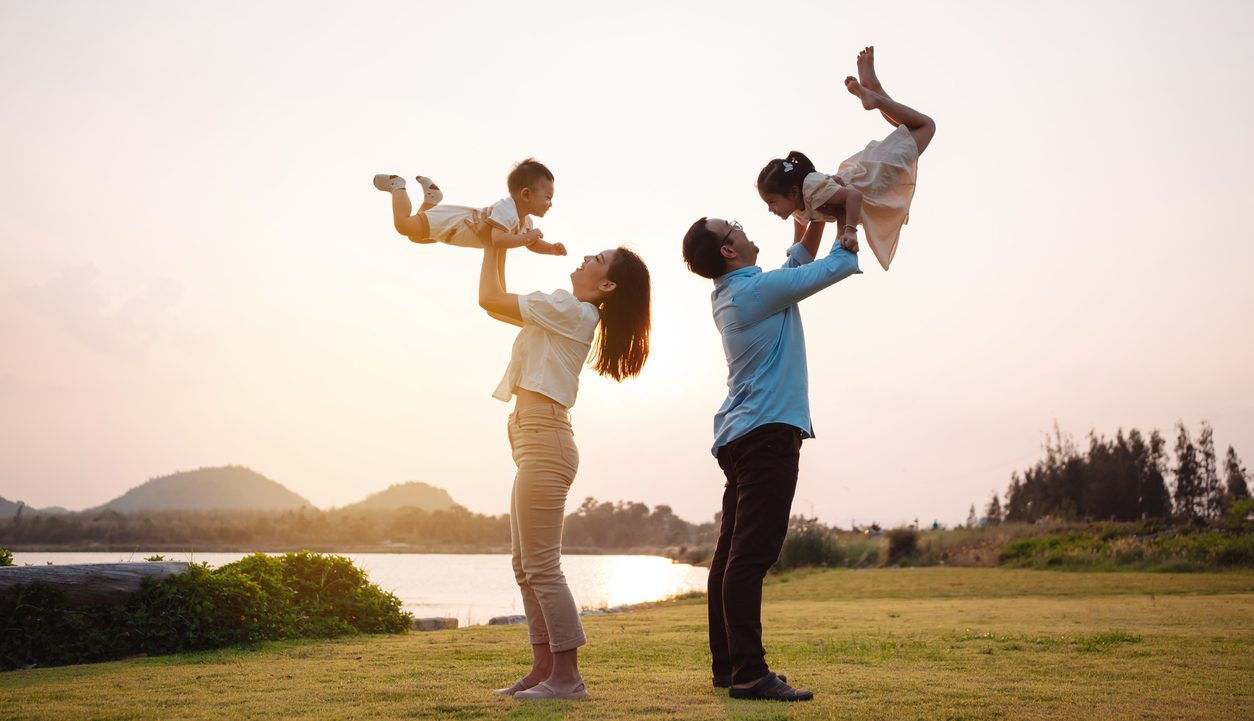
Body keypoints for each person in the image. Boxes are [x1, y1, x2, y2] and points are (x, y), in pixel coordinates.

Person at [681, 216, 860, 702]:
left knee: (728, 558)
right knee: (750, 556)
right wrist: (848, 217)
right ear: (728, 250)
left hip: (744, 436)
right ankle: (750, 675)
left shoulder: (736, 291)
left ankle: (729, 667)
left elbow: (797, 262)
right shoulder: (752, 294)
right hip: (765, 436)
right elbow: (833, 268)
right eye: (733, 227)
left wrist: (811, 220)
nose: (742, 226)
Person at [478, 240, 651, 700]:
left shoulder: (573, 311)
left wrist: (496, 241)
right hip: (530, 434)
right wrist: (497, 244)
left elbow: (489, 299)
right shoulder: (564, 310)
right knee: (524, 565)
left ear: (607, 284)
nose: (585, 259)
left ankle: (568, 678)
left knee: (542, 565)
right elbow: (498, 310)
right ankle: (542, 669)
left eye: (596, 260)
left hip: (545, 437)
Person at [756, 47, 936, 271]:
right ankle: (874, 91)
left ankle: (874, 96)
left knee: (925, 126)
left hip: (876, 175)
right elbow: (803, 218)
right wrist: (796, 243)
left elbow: (852, 196)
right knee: (908, 130)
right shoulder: (799, 203)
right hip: (871, 176)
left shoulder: (811, 189)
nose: (770, 209)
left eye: (772, 201)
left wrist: (850, 230)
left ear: (792, 192)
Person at [373, 158, 567, 255]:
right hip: (451, 222)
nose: (551, 204)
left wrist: (550, 248)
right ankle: (397, 185)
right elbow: (498, 240)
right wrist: (526, 238)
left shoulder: (526, 222)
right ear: (526, 194)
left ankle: (431, 199)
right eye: (548, 197)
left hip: (452, 231)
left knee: (416, 237)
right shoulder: (506, 209)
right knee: (404, 226)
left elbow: (532, 243)